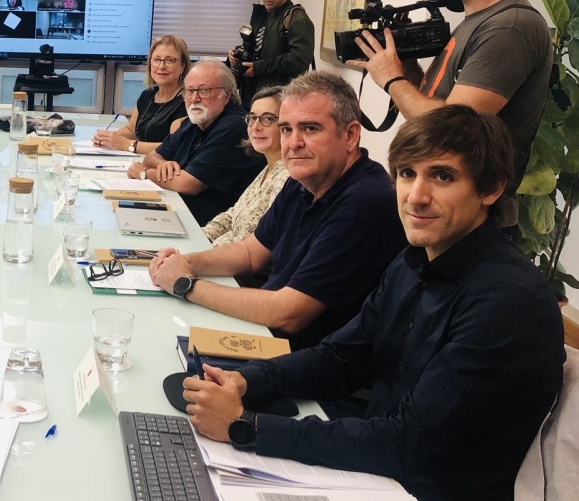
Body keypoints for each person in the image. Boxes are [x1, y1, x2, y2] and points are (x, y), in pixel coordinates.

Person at [168, 105, 565, 501]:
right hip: (391, 479)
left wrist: (247, 427)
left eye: (442, 176)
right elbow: (339, 358)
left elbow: (409, 445)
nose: (416, 196)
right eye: (407, 174)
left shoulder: (503, 301)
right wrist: (244, 383)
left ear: (492, 188)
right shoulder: (415, 260)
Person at [148, 71, 406, 349]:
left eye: (310, 128)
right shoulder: (303, 180)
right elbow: (249, 253)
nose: (293, 143)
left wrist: (186, 285)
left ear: (350, 135)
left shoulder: (364, 201)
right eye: (286, 129)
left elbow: (288, 313)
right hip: (266, 336)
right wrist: (186, 262)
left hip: (300, 361)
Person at [353, 0, 549, 229]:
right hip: (441, 212)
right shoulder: (479, 20)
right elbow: (439, 107)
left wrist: (392, 80)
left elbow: (453, 131)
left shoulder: (510, 26)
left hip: (473, 222)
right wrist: (409, 72)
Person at [126, 60, 265, 226]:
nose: (194, 99)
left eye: (204, 91)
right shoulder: (196, 121)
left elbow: (187, 184)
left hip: (207, 226)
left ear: (226, 95)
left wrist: (144, 173)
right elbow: (152, 157)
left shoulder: (234, 126)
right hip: (178, 212)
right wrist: (163, 164)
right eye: (189, 91)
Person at [202, 86, 291, 249]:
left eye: (268, 118)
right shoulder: (268, 168)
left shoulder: (287, 177)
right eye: (252, 118)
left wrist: (199, 255)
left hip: (235, 268)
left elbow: (256, 246)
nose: (256, 126)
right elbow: (232, 216)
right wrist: (199, 238)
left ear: (288, 126)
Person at [229, 0, 315, 106]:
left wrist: (259, 67)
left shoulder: (298, 19)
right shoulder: (261, 15)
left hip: (280, 97)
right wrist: (236, 55)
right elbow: (257, 48)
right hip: (252, 93)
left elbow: (300, 59)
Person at [93, 35, 190, 155]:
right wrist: (109, 138)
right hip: (139, 161)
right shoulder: (148, 95)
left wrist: (127, 144)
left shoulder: (187, 101)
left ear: (183, 66)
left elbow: (173, 147)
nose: (161, 66)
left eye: (170, 60)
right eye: (157, 59)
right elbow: (132, 130)